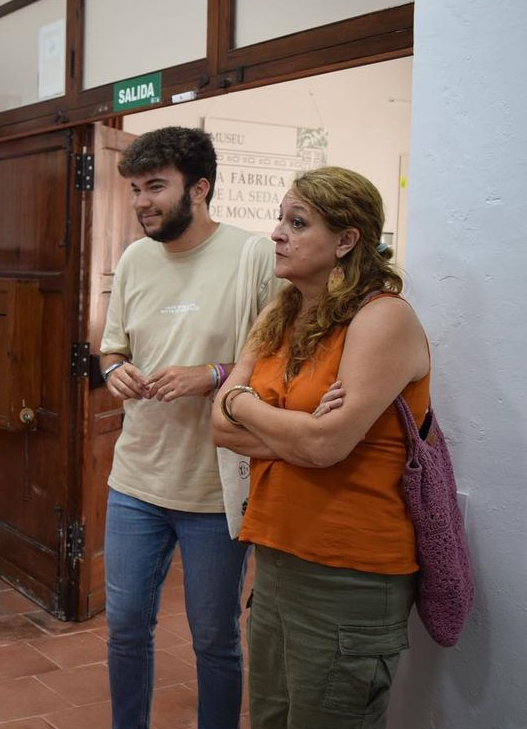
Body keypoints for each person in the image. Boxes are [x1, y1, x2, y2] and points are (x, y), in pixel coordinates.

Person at [211, 166, 426, 728]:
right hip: (277, 558)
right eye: (280, 218)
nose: (277, 233)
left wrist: (248, 405)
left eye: (297, 222)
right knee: (270, 720)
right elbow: (220, 424)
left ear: (347, 240)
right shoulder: (279, 314)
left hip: (348, 574)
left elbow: (326, 444)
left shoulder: (383, 319)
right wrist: (294, 431)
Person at [99, 126, 279, 729]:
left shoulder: (253, 255)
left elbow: (277, 361)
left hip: (215, 489)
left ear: (199, 188)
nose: (141, 201)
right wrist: (115, 371)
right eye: (134, 189)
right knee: (125, 628)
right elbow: (112, 349)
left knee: (214, 639)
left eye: (155, 187)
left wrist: (214, 373)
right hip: (135, 481)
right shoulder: (133, 258)